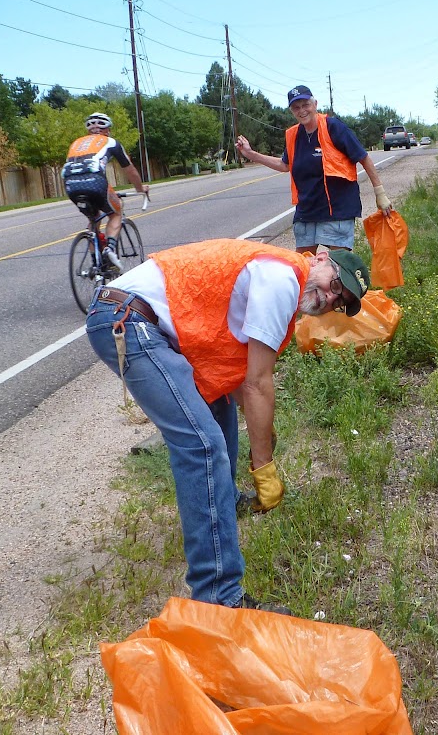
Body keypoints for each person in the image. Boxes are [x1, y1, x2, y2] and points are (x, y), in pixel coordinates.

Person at [85, 238, 371, 613]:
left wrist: (262, 435)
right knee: (201, 446)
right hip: (128, 321)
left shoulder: (280, 274)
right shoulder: (283, 277)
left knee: (217, 401)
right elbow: (257, 384)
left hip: (132, 315)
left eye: (341, 301)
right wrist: (264, 469)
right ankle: (219, 597)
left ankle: (224, 500)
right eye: (336, 284)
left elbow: (235, 379)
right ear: (319, 259)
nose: (330, 299)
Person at [235, 85, 393, 254]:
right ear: (291, 111)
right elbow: (285, 165)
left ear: (315, 104)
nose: (301, 110)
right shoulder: (293, 135)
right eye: (296, 107)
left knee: (337, 270)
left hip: (337, 211)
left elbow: (363, 157)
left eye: (305, 105)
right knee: (303, 269)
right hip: (306, 213)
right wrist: (252, 155)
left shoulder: (333, 127)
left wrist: (380, 193)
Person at [62, 112, 149, 271]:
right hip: (95, 181)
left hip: (69, 184)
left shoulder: (76, 143)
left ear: (89, 131)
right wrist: (140, 189)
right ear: (107, 130)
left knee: (94, 218)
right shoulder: (111, 142)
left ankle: (96, 264)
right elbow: (130, 171)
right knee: (115, 213)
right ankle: (109, 249)